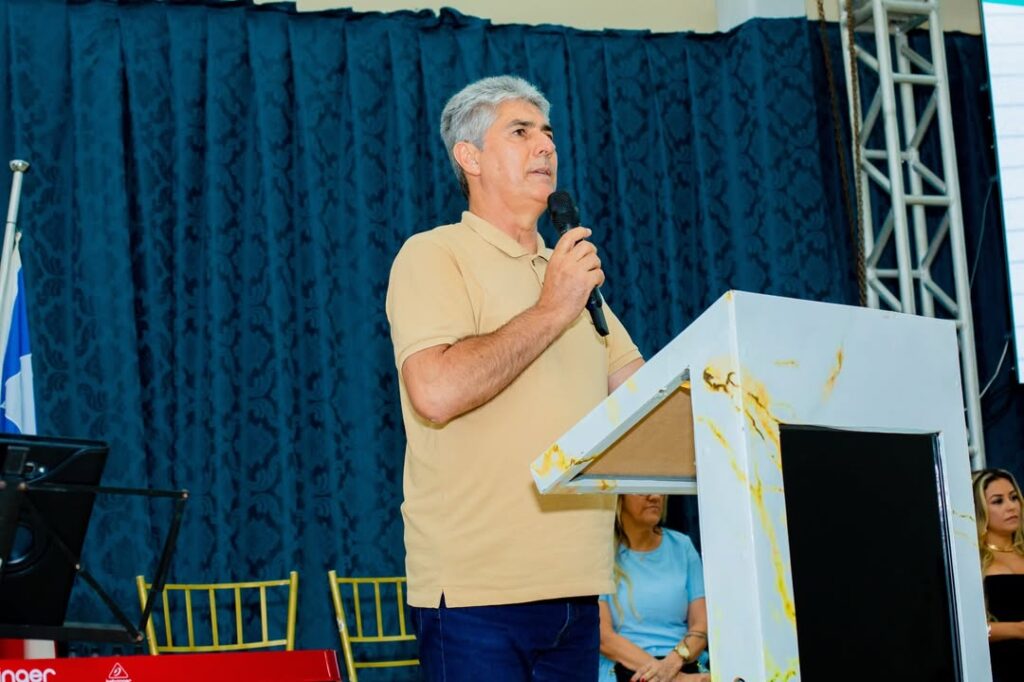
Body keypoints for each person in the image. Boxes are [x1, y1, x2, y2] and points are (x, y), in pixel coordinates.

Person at [385, 75, 645, 681]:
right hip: (477, 595)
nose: (545, 146)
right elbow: (436, 392)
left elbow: (642, 398)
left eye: (548, 133)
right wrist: (553, 308)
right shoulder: (434, 254)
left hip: (578, 589)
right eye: (521, 132)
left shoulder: (571, 275)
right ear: (469, 156)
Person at [599, 494, 709, 682]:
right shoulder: (601, 552)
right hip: (625, 669)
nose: (655, 496)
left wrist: (673, 663)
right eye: (642, 489)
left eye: (659, 488)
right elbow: (604, 638)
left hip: (683, 663)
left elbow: (701, 624)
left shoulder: (682, 546)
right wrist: (677, 679)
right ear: (619, 497)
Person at [973, 468, 1024, 682]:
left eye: (1013, 497)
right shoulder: (972, 562)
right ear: (980, 509)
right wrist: (1018, 629)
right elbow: (965, 629)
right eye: (998, 501)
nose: (1011, 506)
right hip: (1002, 669)